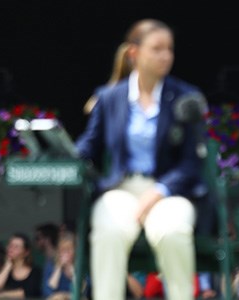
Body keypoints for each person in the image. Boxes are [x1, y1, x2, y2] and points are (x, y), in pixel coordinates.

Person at [75, 18, 205, 300]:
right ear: (134, 53)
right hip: (121, 189)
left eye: (169, 49)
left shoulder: (185, 96)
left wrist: (158, 192)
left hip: (169, 191)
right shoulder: (109, 97)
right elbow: (90, 145)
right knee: (108, 231)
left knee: (172, 232)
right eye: (157, 48)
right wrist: (64, 154)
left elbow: (190, 163)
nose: (166, 56)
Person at [0, 233, 42, 298]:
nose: (11, 249)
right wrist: (8, 266)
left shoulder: (35, 272)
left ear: (26, 252)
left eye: (16, 247)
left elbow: (28, 292)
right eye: (10, 245)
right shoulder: (4, 271)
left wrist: (3, 294)